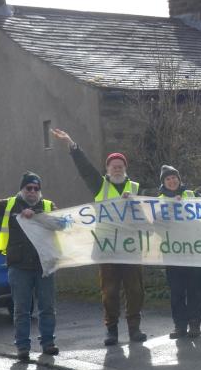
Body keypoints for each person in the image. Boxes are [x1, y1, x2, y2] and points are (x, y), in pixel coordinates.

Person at [50, 128, 147, 346]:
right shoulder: (99, 185)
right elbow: (85, 169)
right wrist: (72, 146)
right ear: (107, 169)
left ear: (125, 168)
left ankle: (134, 329)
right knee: (109, 291)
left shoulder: (136, 188)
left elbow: (150, 212)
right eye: (114, 166)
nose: (117, 169)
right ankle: (111, 330)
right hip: (106, 248)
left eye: (120, 166)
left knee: (135, 290)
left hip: (131, 248)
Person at [0, 160, 63, 362]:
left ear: (40, 190)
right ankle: (22, 347)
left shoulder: (48, 206)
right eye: (28, 187)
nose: (32, 191)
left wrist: (37, 215)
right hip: (19, 267)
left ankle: (48, 343)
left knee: (47, 307)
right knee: (22, 310)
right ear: (22, 189)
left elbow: (62, 223)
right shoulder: (10, 205)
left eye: (36, 188)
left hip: (44, 266)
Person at [156, 165, 201, 340]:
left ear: (179, 179)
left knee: (195, 290)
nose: (172, 181)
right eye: (168, 179)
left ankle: (194, 324)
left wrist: (184, 206)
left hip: (195, 252)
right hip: (173, 253)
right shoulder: (158, 201)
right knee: (176, 291)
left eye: (174, 177)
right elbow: (157, 227)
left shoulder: (191, 195)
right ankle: (179, 326)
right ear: (163, 182)